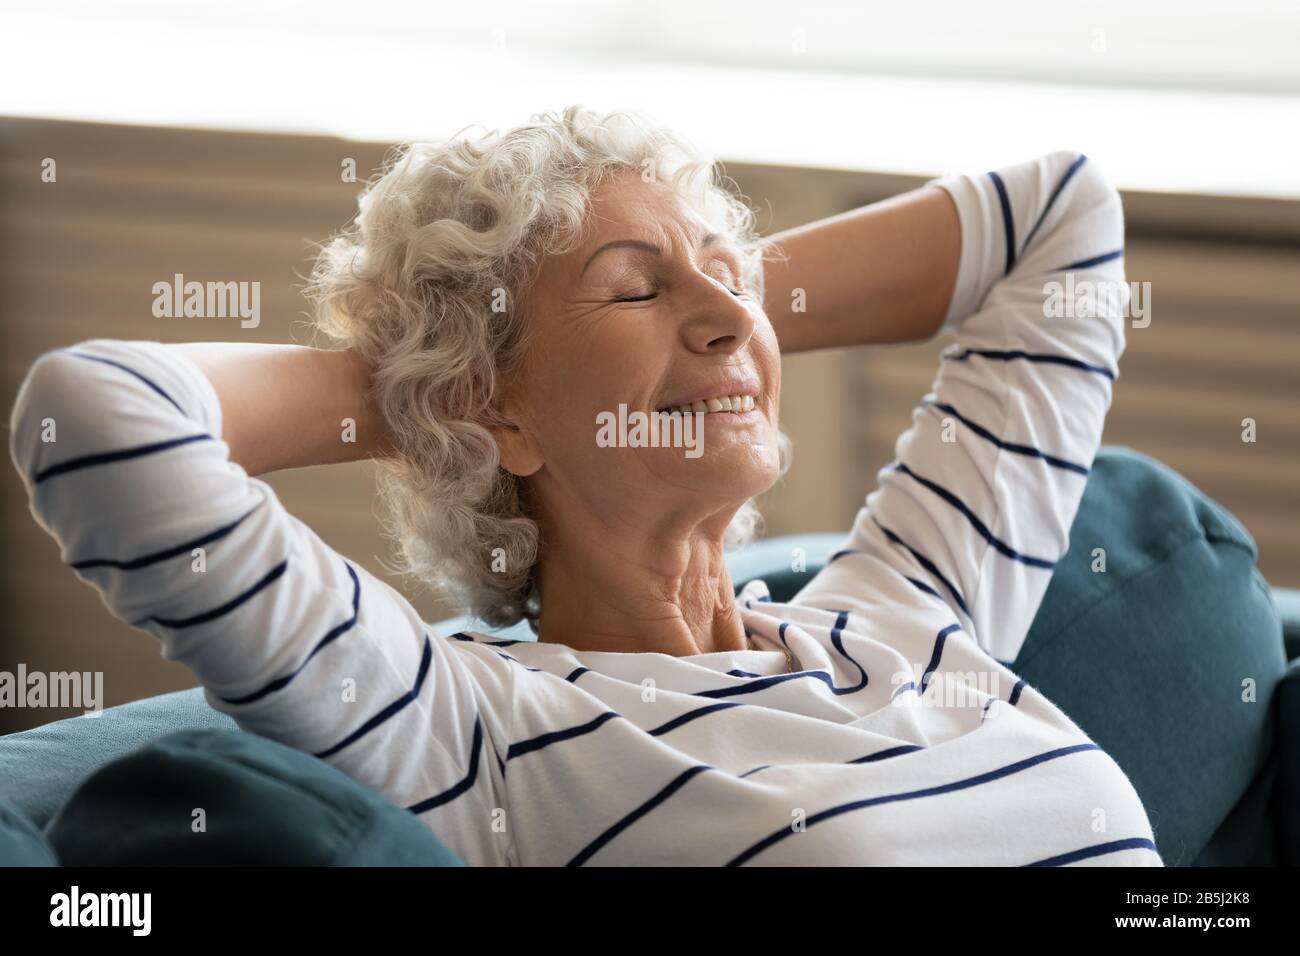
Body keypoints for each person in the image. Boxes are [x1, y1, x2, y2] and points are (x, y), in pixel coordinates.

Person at [10, 106, 1158, 865]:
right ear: (501, 412)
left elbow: (1059, 221)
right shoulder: (480, 726)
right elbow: (95, 417)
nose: (730, 311)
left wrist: (712, 312)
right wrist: (438, 376)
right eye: (632, 291)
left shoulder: (909, 610)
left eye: (731, 275)